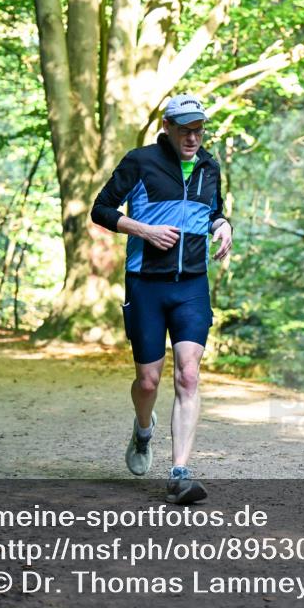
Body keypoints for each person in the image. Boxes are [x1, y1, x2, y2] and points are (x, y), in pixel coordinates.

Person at [90, 94, 232, 505]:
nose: (193, 136)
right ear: (167, 126)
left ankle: (180, 472)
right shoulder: (140, 161)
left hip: (191, 285)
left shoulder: (209, 166)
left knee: (188, 375)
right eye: (185, 128)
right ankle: (143, 428)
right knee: (148, 381)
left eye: (198, 129)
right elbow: (101, 210)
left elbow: (213, 212)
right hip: (146, 284)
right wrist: (143, 231)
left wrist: (224, 227)